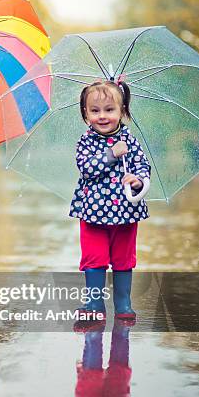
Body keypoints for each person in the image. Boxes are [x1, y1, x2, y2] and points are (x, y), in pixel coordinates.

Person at [69, 79, 151, 321]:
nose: (102, 116)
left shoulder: (130, 140)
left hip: (126, 212)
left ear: (122, 110)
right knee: (94, 258)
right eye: (95, 111)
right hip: (93, 213)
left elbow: (143, 166)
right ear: (85, 114)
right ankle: (94, 304)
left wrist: (137, 180)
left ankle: (123, 304)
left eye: (109, 109)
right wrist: (111, 154)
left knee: (124, 259)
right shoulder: (86, 141)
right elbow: (86, 169)